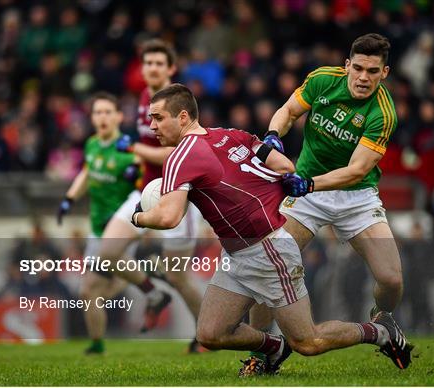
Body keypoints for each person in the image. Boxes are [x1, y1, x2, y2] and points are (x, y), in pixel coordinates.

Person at [132, 83, 412, 376]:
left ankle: (380, 331)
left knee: (309, 341)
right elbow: (283, 165)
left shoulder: (180, 156)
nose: (152, 126)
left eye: (158, 118)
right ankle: (274, 348)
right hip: (238, 253)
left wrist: (139, 217)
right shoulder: (228, 135)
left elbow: (169, 217)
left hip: (267, 250)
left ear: (183, 117)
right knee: (210, 333)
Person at [241, 33, 410, 374]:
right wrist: (274, 135)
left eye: (372, 71)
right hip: (306, 195)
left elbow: (357, 170)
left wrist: (310, 183)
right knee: (267, 267)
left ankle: (383, 317)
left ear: (384, 73)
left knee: (391, 279)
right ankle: (262, 354)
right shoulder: (322, 80)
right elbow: (288, 111)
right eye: (358, 68)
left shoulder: (383, 113)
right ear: (347, 65)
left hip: (355, 196)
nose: (364, 77)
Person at [97, 39, 206, 353]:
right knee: (108, 253)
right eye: (148, 63)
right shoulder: (145, 97)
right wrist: (135, 164)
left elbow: (176, 153)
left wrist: (132, 148)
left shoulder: (179, 103)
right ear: (141, 68)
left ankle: (208, 336)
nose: (153, 68)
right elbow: (148, 150)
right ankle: (153, 292)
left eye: (159, 63)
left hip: (176, 192)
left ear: (170, 68)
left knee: (179, 277)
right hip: (145, 190)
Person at [57, 92, 144, 354]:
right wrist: (69, 198)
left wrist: (136, 176)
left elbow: (147, 187)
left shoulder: (130, 150)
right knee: (91, 292)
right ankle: (97, 343)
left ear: (119, 116)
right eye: (98, 112)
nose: (102, 117)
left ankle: (137, 281)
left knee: (91, 290)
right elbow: (86, 172)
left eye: (108, 112)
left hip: (120, 230)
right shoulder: (92, 144)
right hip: (96, 229)